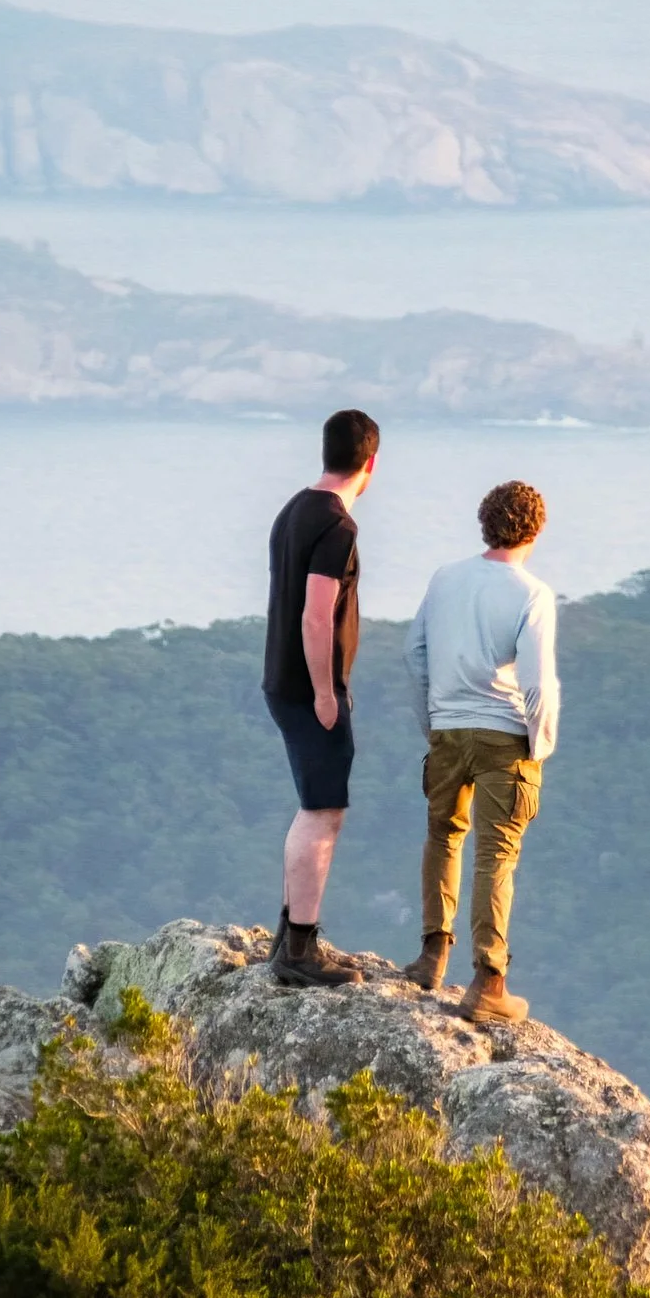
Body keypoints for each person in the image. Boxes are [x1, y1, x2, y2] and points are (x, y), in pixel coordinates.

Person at [401, 479, 558, 1027]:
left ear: (484, 523)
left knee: (443, 835)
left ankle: (430, 956)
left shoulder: (445, 579)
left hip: (446, 728)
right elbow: (537, 684)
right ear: (535, 531)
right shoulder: (530, 593)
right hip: (503, 737)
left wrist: (433, 723)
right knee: (496, 856)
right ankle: (489, 982)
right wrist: (539, 745)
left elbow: (414, 653)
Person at [261, 406, 380, 988]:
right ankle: (300, 951)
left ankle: (289, 933)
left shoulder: (294, 509)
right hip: (309, 690)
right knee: (323, 811)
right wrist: (327, 693)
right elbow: (315, 617)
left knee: (311, 804)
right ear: (371, 464)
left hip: (280, 683)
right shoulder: (338, 526)